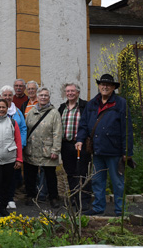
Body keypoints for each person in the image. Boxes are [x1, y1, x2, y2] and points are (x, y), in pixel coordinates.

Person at [76, 74, 133, 216]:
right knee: (97, 181)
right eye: (102, 84)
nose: (105, 86)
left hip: (115, 151)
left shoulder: (121, 103)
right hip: (97, 150)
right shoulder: (92, 104)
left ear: (113, 87)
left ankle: (120, 211)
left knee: (118, 183)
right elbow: (83, 125)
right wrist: (80, 140)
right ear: (99, 86)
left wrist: (127, 151)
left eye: (108, 85)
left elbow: (127, 129)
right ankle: (98, 208)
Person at [24, 87, 62, 208]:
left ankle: (53, 197)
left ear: (49, 98)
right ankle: (31, 196)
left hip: (48, 150)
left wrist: (56, 150)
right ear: (37, 97)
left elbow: (57, 132)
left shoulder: (54, 113)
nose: (43, 97)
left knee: (50, 176)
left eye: (46, 95)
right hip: (32, 149)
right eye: (41, 95)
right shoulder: (31, 112)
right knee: (30, 175)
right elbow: (26, 129)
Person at [0, 85, 27, 209]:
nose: (7, 97)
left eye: (9, 95)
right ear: (1, 96)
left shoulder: (17, 112)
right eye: (5, 95)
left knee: (11, 177)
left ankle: (10, 198)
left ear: (13, 97)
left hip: (13, 149)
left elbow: (22, 129)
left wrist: (20, 145)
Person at [58, 83, 90, 211]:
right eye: (68, 91)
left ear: (78, 92)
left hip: (80, 144)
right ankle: (74, 197)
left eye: (72, 91)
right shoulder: (62, 107)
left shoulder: (85, 106)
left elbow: (88, 124)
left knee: (83, 172)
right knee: (70, 172)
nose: (70, 93)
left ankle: (85, 200)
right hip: (66, 144)